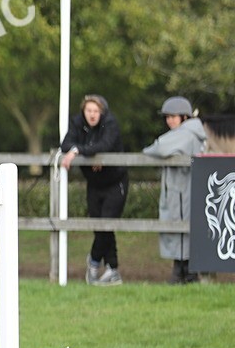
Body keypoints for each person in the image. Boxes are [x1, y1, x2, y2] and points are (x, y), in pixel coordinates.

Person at [59, 94, 128, 286]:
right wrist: (88, 154)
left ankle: (95, 261)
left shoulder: (110, 124)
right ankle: (113, 270)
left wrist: (81, 152)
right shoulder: (77, 123)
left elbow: (105, 145)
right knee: (100, 226)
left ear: (102, 112)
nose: (92, 115)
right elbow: (65, 144)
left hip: (115, 181)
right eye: (88, 110)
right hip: (94, 184)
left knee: (106, 223)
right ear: (83, 111)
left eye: (96, 111)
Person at [143, 96, 207, 284]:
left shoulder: (186, 134)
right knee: (182, 225)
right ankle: (185, 271)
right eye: (167, 117)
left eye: (174, 116)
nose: (170, 120)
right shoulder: (189, 133)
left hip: (181, 189)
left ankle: (183, 272)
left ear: (184, 117)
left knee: (179, 224)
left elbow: (159, 147)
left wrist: (149, 150)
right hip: (182, 188)